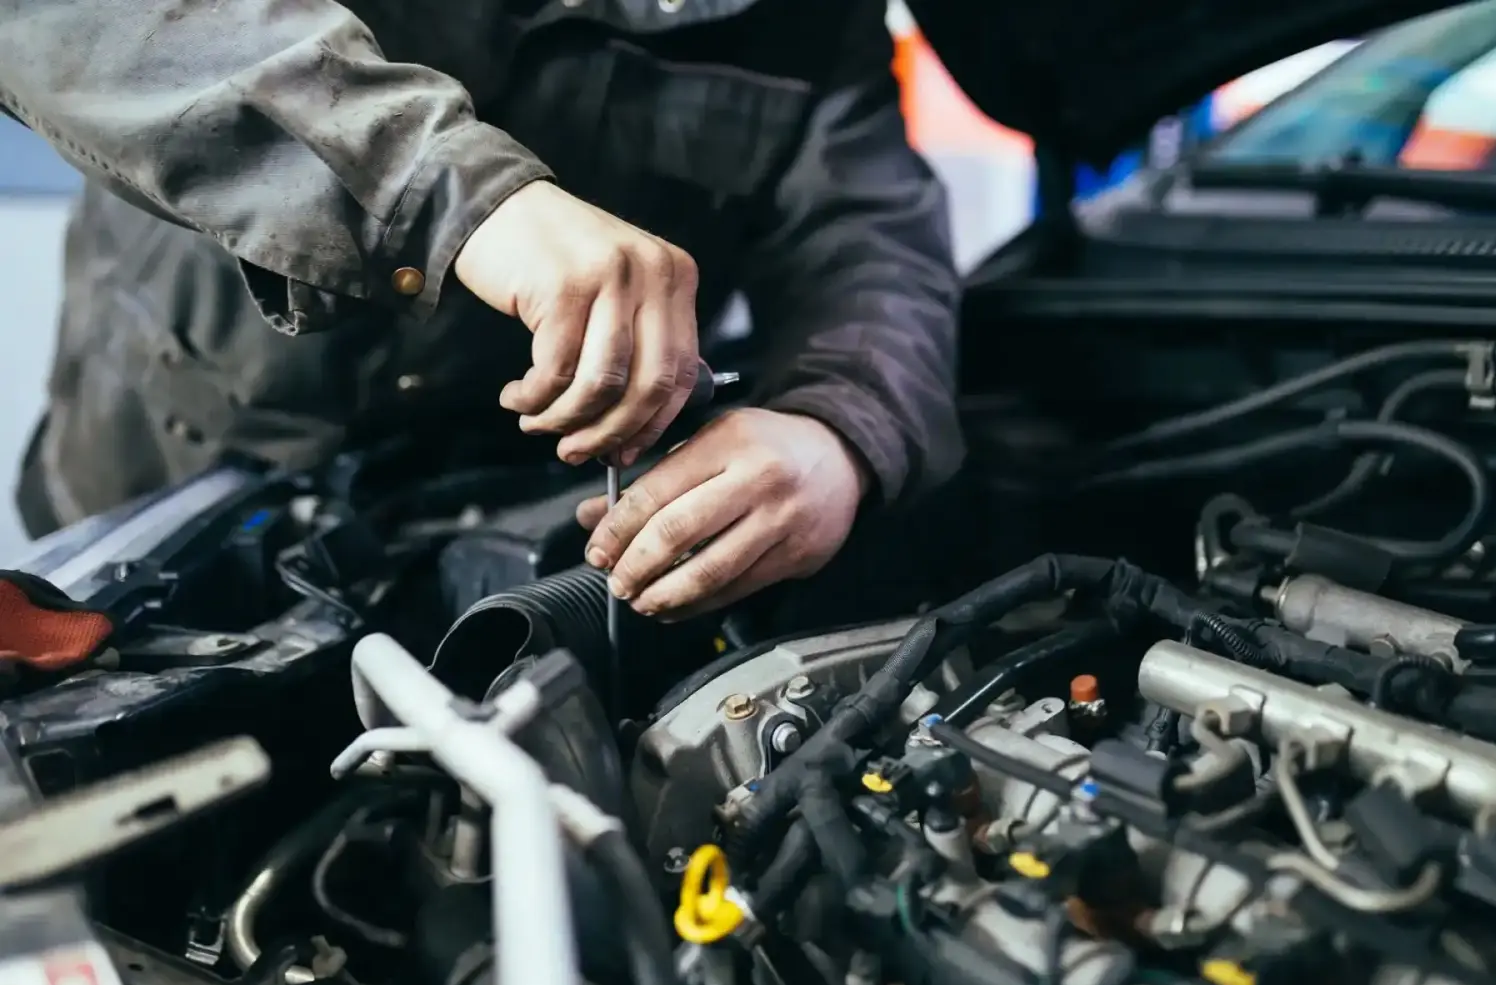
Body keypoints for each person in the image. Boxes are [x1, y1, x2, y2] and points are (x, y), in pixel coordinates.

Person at [2, 0, 962, 623]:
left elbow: (866, 235)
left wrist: (836, 427)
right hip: (161, 505)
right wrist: (447, 191)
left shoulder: (804, 22)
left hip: (505, 535)